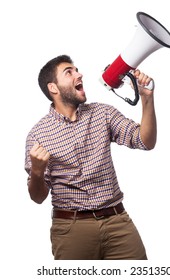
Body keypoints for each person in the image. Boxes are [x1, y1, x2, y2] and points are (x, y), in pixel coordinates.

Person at [25, 54, 157, 260]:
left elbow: (145, 141)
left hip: (118, 223)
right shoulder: (38, 136)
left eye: (76, 69)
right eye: (69, 72)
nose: (79, 74)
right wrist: (36, 171)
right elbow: (38, 197)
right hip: (71, 229)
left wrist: (147, 99)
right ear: (53, 88)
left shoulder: (102, 113)